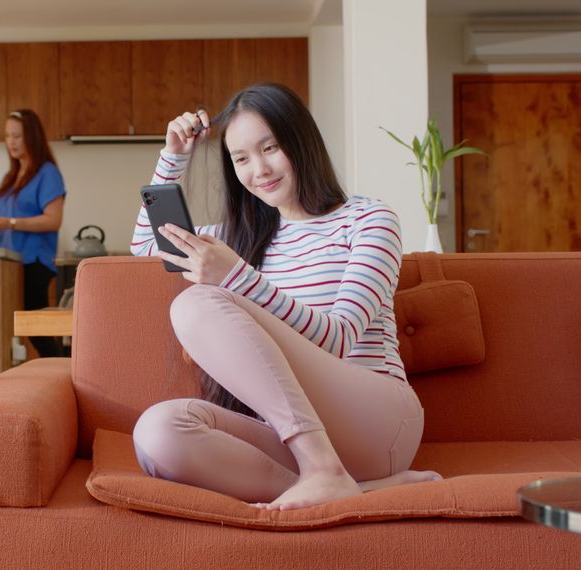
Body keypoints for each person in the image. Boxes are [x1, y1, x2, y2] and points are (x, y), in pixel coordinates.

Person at [128, 83, 441, 511]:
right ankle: (345, 485)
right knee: (157, 431)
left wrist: (236, 277)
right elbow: (146, 245)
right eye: (241, 158)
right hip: (291, 433)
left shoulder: (368, 219)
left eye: (270, 147)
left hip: (377, 421)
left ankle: (324, 471)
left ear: (301, 140)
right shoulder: (239, 238)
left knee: (194, 304)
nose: (259, 169)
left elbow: (339, 338)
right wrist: (174, 157)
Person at [0, 109, 66, 357]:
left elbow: (53, 220)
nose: (11, 142)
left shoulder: (47, 173)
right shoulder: (13, 175)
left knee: (36, 329)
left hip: (34, 263)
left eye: (17, 136)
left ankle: (66, 371)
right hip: (10, 265)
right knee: (19, 328)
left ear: (32, 137)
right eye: (8, 136)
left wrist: (11, 223)